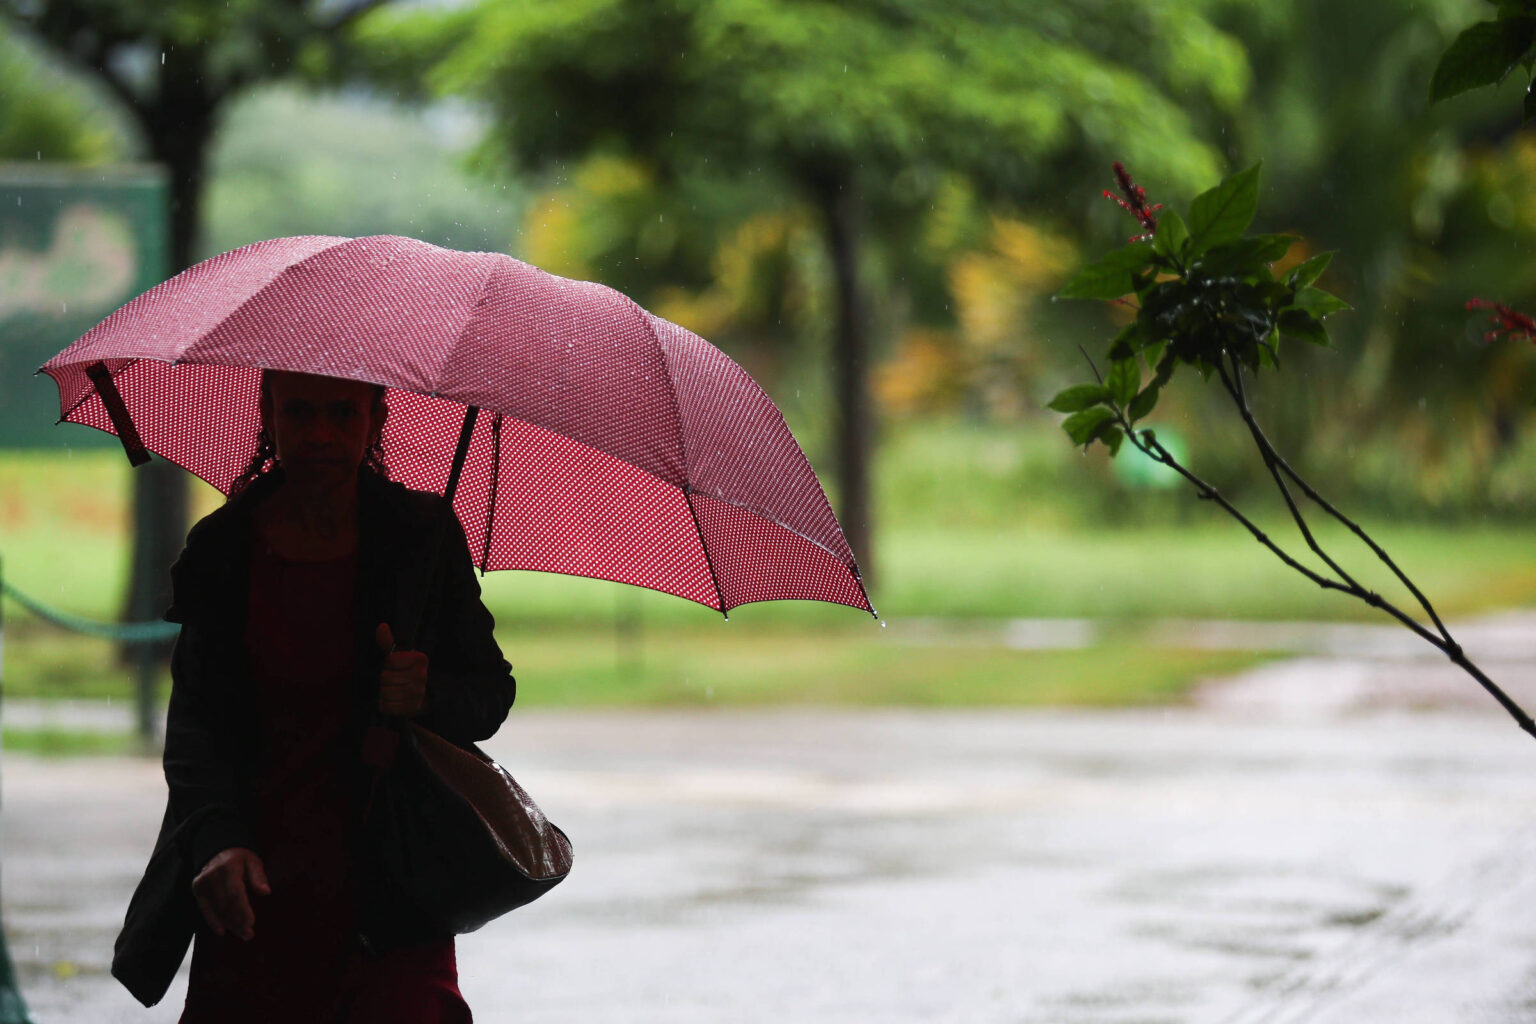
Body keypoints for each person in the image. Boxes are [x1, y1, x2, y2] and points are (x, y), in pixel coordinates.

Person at [111, 370, 516, 1022]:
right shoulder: (224, 547)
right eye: (299, 412)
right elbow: (196, 727)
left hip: (390, 888)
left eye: (342, 414)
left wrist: (426, 694)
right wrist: (217, 840)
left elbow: (489, 695)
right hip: (254, 884)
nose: (321, 434)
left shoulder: (421, 538)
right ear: (267, 415)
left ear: (375, 420)